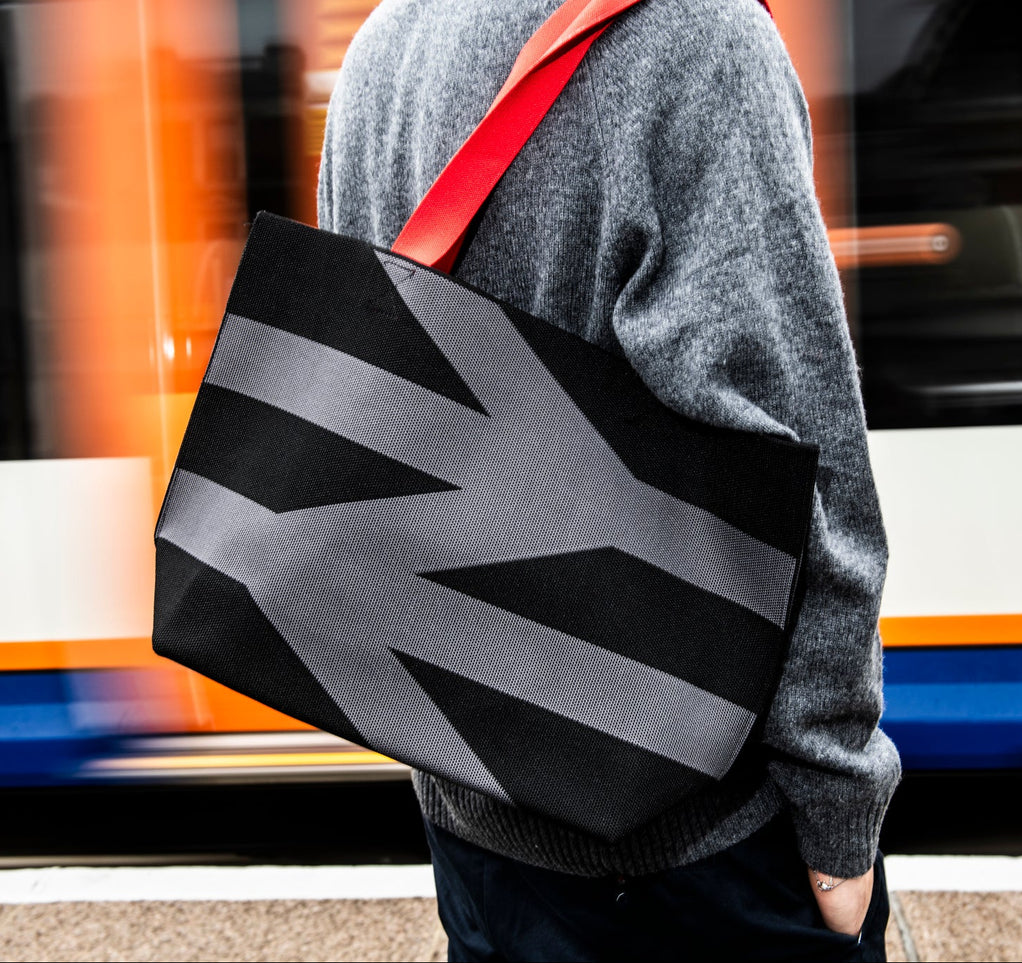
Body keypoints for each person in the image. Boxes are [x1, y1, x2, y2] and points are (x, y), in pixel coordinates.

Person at [318, 0, 902, 959]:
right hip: (702, 848)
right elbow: (801, 463)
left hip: (479, 836)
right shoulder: (700, 40)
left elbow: (381, 408)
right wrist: (839, 813)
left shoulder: (382, 47)